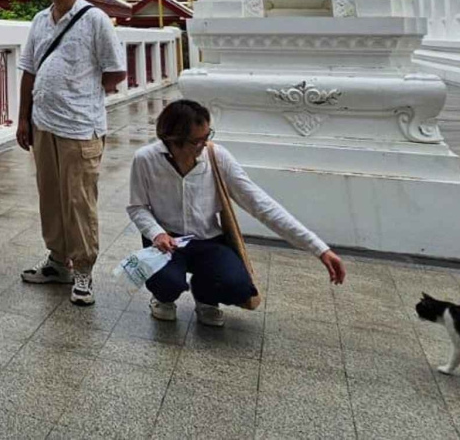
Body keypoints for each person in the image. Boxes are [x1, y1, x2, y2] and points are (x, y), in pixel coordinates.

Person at [128, 99, 346, 325]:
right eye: (196, 141)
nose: (204, 145)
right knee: (167, 282)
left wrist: (319, 249)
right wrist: (156, 233)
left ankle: (205, 296)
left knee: (238, 286)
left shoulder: (216, 157)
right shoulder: (146, 159)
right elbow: (137, 206)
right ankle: (162, 298)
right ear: (173, 139)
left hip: (207, 240)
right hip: (166, 242)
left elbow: (261, 204)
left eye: (207, 136)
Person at [16, 0, 126, 306]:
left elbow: (115, 72)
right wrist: (23, 118)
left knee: (78, 200)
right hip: (43, 124)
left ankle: (83, 268)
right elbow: (29, 70)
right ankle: (57, 260)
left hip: (80, 126)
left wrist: (82, 94)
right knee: (50, 197)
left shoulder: (95, 19)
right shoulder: (39, 20)